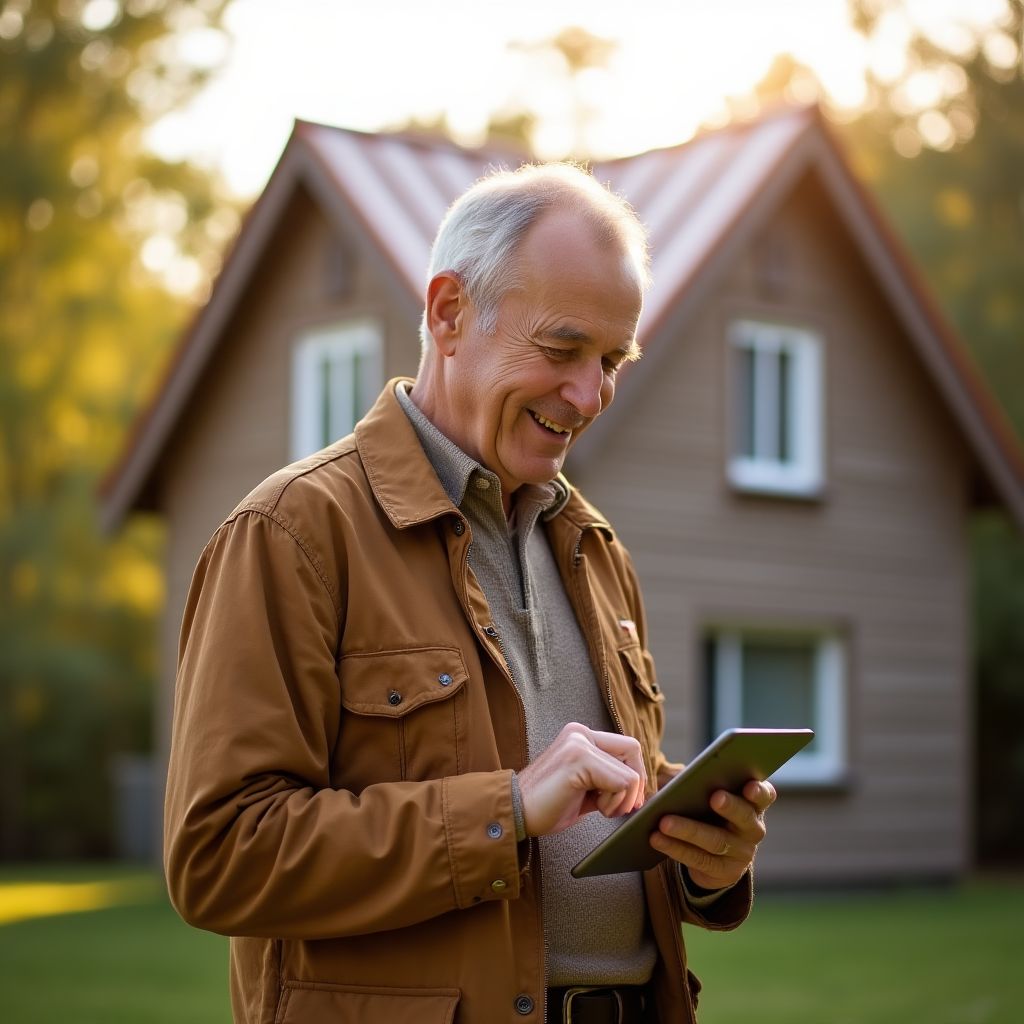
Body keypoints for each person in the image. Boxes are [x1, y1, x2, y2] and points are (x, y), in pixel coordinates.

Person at [164, 162, 777, 1024]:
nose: (590, 394)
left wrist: (700, 862)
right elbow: (219, 855)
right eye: (563, 350)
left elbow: (602, 822)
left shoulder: (596, 549)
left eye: (611, 359)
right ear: (449, 313)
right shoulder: (292, 533)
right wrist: (510, 808)